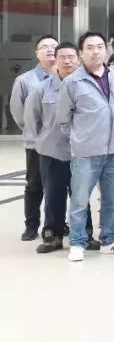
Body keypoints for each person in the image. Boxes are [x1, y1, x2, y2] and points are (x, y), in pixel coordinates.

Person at [58, 32, 114, 262]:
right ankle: (77, 242)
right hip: (86, 152)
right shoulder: (72, 82)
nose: (96, 51)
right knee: (80, 201)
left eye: (100, 46)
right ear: (81, 53)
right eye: (90, 47)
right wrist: (80, 139)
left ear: (106, 50)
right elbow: (63, 120)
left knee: (112, 200)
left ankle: (109, 240)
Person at [24, 42, 92, 253]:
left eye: (71, 57)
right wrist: (43, 141)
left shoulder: (88, 86)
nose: (67, 61)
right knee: (53, 195)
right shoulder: (41, 89)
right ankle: (53, 234)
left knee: (81, 195)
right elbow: (31, 120)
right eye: (63, 57)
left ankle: (85, 234)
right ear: (56, 59)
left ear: (79, 59)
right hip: (52, 152)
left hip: (81, 151)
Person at [9, 34, 57, 241]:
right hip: (36, 143)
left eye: (53, 46)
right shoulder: (24, 80)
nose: (50, 49)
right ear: (37, 53)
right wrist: (34, 132)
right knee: (34, 185)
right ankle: (31, 225)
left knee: (58, 185)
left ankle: (56, 223)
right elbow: (18, 112)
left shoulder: (68, 78)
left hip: (61, 144)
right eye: (44, 46)